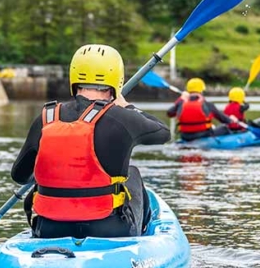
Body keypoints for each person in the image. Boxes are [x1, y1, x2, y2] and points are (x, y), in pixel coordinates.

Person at [11, 44, 170, 239]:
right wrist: (127, 106)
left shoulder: (47, 117)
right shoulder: (122, 117)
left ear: (74, 77)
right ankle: (142, 240)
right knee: (133, 174)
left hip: (49, 228)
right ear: (116, 80)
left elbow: (19, 175)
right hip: (108, 229)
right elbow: (163, 133)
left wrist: (57, 173)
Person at [166, 77, 238, 141]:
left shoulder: (181, 103)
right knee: (224, 128)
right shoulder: (207, 104)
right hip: (203, 135)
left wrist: (180, 99)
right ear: (201, 91)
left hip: (185, 136)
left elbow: (169, 113)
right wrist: (231, 119)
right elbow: (224, 120)